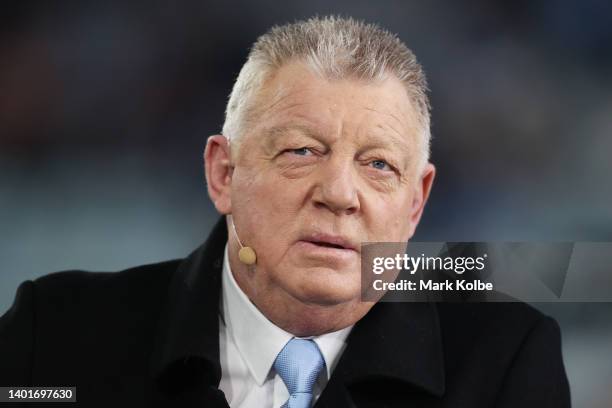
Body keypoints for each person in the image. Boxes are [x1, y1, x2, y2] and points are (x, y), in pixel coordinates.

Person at [0, 16, 570, 407]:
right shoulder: (53, 336)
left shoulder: (504, 363)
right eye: (302, 151)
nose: (341, 195)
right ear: (223, 174)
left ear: (416, 203)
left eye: (378, 165)